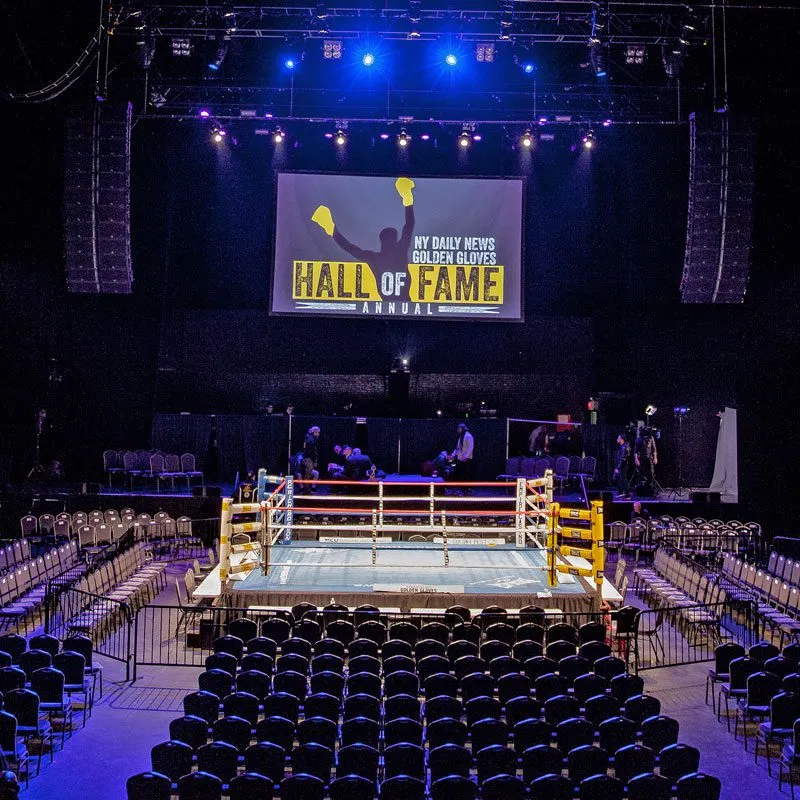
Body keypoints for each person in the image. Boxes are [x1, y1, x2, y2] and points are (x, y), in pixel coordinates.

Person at [311, 177, 416, 302]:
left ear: (381, 241)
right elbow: (409, 225)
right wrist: (407, 198)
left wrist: (331, 229)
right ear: (395, 240)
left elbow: (349, 247)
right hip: (405, 307)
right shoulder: (400, 251)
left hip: (388, 310)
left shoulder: (374, 258)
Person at [634, 426, 658, 496]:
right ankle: (641, 490)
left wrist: (655, 458)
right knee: (641, 474)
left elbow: (654, 449)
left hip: (649, 458)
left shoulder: (651, 439)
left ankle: (651, 489)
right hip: (641, 459)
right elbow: (635, 451)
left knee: (651, 473)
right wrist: (636, 459)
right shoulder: (638, 440)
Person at [612, 433, 632, 497]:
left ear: (622, 439)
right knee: (617, 478)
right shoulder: (621, 447)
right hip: (619, 465)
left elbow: (623, 459)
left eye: (618, 438)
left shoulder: (624, 447)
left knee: (623, 479)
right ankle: (621, 491)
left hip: (622, 466)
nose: (617, 439)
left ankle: (627, 493)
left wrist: (618, 468)